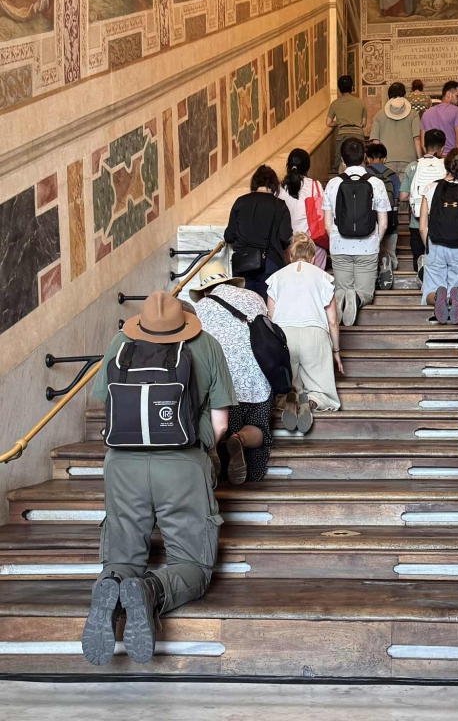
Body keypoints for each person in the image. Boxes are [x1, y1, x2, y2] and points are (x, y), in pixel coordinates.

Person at [81, 292, 235, 667]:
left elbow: (107, 404)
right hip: (182, 466)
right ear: (186, 321)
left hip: (122, 466)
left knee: (122, 558)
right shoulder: (207, 345)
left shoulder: (121, 343)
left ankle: (110, 583)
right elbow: (220, 425)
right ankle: (151, 589)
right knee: (194, 566)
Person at [191, 261, 274, 483]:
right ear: (229, 281)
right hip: (258, 377)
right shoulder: (254, 297)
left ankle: (217, 453)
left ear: (204, 291)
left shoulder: (200, 309)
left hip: (222, 384)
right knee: (258, 427)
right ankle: (241, 439)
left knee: (221, 424)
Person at [267, 233, 342, 434]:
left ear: (291, 256)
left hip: (285, 336)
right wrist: (336, 351)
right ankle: (311, 401)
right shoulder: (323, 277)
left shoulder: (276, 278)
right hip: (314, 333)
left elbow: (270, 318)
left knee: (288, 383)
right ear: (313, 258)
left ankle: (288, 399)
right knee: (321, 388)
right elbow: (332, 320)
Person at [322, 137, 390, 326]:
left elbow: (327, 224)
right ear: (365, 157)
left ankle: (342, 297)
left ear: (343, 160)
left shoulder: (333, 184)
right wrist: (375, 241)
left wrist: (335, 239)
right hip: (367, 247)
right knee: (366, 293)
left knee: (342, 291)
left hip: (340, 246)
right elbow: (383, 223)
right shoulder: (376, 183)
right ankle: (357, 298)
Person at [419, 148, 458, 324]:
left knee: (430, 289)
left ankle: (438, 296)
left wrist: (430, 245)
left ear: (445, 165)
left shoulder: (430, 188)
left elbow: (422, 226)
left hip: (435, 244)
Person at [224, 165, 292, 299]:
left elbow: (229, 236)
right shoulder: (279, 205)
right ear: (274, 185)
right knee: (267, 307)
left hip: (243, 264)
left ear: (254, 183)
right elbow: (285, 238)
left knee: (244, 306)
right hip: (269, 264)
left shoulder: (240, 202)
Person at [399, 128, 447, 278]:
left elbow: (402, 196)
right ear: (442, 148)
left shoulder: (413, 166)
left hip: (417, 222)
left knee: (419, 259)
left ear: (424, 147)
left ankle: (422, 279)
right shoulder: (447, 166)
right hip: (442, 223)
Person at [278, 148, 327, 270]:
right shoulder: (315, 185)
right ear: (307, 167)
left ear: (288, 166)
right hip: (311, 244)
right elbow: (322, 213)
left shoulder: (279, 189)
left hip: (288, 246)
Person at [365, 142, 401, 290]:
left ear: (367, 158)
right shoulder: (392, 175)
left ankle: (376, 268)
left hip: (367, 221)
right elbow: (397, 198)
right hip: (389, 218)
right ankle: (389, 261)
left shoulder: (364, 174)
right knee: (390, 250)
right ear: (384, 158)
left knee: (369, 253)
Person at [369, 82, 422, 179]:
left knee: (389, 187)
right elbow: (417, 139)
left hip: (387, 160)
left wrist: (376, 162)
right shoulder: (413, 114)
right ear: (404, 95)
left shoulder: (379, 115)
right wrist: (420, 160)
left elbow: (375, 142)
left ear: (389, 96)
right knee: (407, 188)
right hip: (409, 160)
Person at [326, 75, 367, 171]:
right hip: (358, 135)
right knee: (360, 163)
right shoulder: (361, 103)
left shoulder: (335, 103)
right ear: (352, 87)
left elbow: (328, 123)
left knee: (339, 163)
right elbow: (363, 123)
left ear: (339, 88)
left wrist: (339, 122)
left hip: (342, 135)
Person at [420, 81, 458, 154]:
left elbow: (423, 144)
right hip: (450, 157)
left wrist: (431, 157)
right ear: (448, 94)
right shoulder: (457, 111)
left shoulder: (426, 113)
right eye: (457, 96)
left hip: (431, 158)